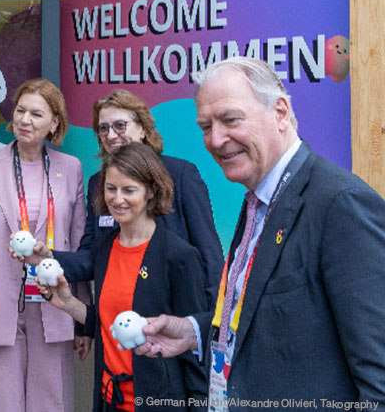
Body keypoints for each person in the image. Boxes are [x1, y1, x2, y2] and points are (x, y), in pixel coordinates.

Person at [132, 57, 385, 404]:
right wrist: (193, 332)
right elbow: (266, 319)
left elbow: (379, 377)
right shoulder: (258, 198)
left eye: (230, 120)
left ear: (280, 112)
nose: (216, 140)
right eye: (206, 126)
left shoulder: (340, 204)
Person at [0, 78, 88, 411]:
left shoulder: (70, 168)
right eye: (21, 110)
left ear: (54, 123)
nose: (25, 120)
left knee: (51, 402)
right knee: (1, 402)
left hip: (54, 301)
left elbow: (78, 246)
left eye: (36, 114)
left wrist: (82, 313)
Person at [39, 142, 207, 411]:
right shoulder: (104, 248)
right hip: (108, 400)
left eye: (129, 190)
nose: (117, 199)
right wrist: (68, 304)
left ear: (151, 191)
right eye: (111, 188)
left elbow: (193, 350)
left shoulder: (179, 256)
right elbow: (108, 324)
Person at [55, 89, 222, 306]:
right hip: (118, 313)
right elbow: (91, 257)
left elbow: (209, 254)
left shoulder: (180, 174)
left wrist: (210, 318)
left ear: (142, 128)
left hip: (175, 309)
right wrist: (46, 259)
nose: (111, 135)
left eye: (120, 125)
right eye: (103, 128)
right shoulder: (98, 183)